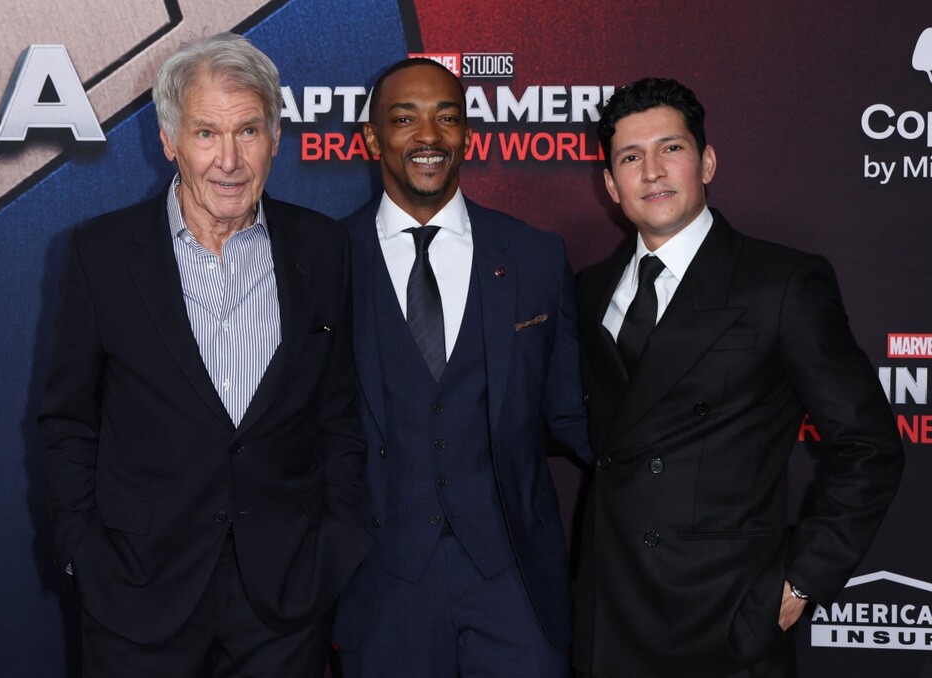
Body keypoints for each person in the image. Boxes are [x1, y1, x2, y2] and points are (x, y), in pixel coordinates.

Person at [38, 33, 370, 677]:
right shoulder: (101, 255)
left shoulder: (322, 248)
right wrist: (85, 554)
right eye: (206, 133)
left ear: (276, 137)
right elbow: (68, 423)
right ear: (169, 142)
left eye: (248, 130)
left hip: (284, 599)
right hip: (138, 594)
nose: (229, 160)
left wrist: (335, 545)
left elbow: (338, 415)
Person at [573, 77, 904, 677]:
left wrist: (800, 583)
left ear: (707, 162)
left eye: (670, 148)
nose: (652, 171)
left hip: (724, 619)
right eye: (630, 157)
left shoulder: (780, 283)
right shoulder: (589, 289)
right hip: (610, 617)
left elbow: (870, 446)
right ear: (609, 184)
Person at [332, 57, 592, 677]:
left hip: (516, 586)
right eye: (404, 119)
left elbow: (572, 415)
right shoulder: (323, 261)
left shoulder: (533, 254)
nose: (429, 136)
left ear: (468, 134)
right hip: (382, 585)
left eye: (447, 118)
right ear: (372, 137)